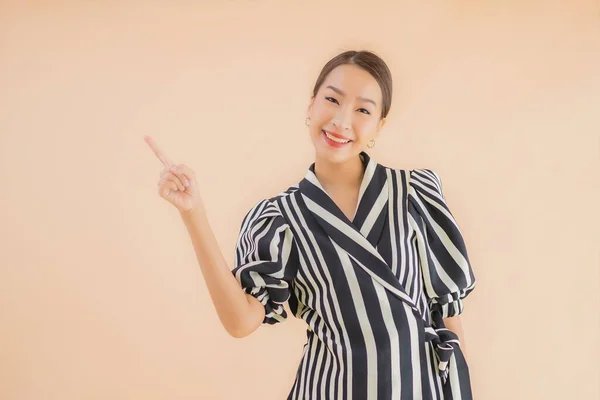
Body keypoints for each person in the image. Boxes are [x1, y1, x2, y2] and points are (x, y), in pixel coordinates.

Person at [144, 50, 477, 400]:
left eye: (363, 110)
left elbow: (448, 315)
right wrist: (193, 213)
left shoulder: (414, 194)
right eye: (332, 99)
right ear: (311, 105)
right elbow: (241, 322)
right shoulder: (281, 217)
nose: (341, 120)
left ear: (380, 125)